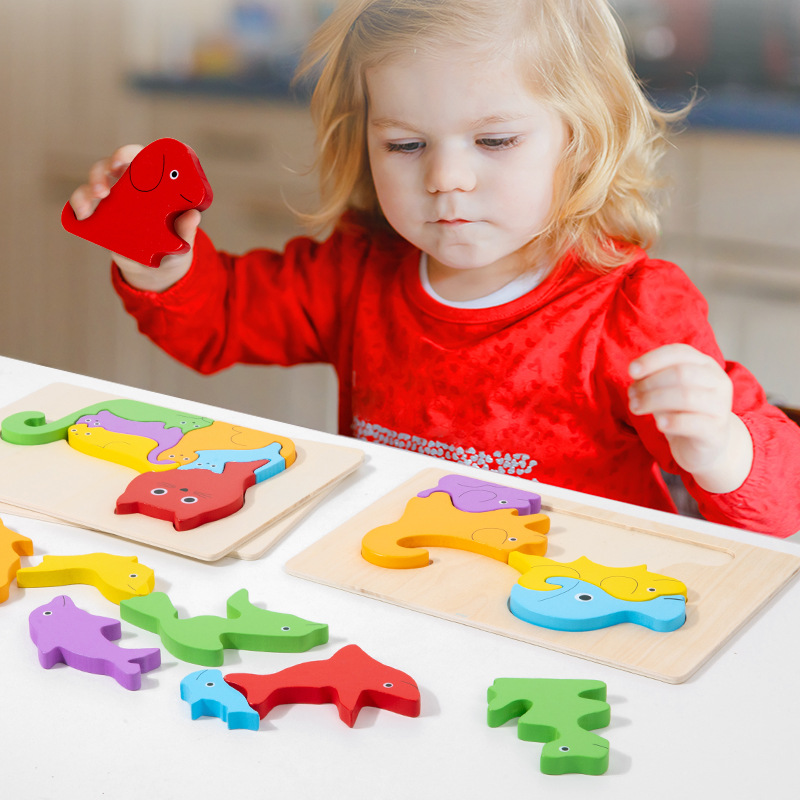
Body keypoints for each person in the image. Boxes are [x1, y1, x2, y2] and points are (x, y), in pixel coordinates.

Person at [69, 0, 800, 536]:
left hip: (578, 624)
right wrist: (159, 258)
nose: (446, 178)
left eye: (495, 140)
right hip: (404, 593)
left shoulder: (633, 311)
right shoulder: (359, 270)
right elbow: (221, 319)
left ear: (581, 140)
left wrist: (722, 448)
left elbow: (779, 507)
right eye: (406, 146)